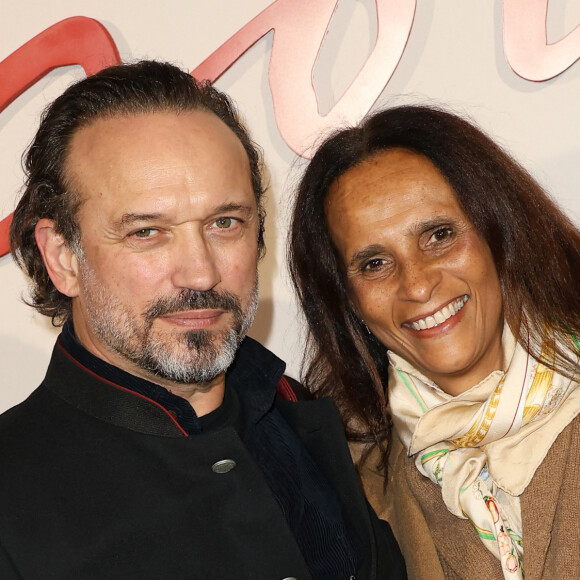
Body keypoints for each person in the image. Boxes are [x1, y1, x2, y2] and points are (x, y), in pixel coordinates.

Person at [0, 60, 406, 579]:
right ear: (63, 258)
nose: (200, 272)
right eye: (146, 232)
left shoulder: (298, 413)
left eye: (224, 223)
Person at [289, 104, 580, 580]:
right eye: (374, 264)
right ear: (347, 302)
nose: (418, 285)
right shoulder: (349, 486)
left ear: (499, 231)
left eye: (439, 235)